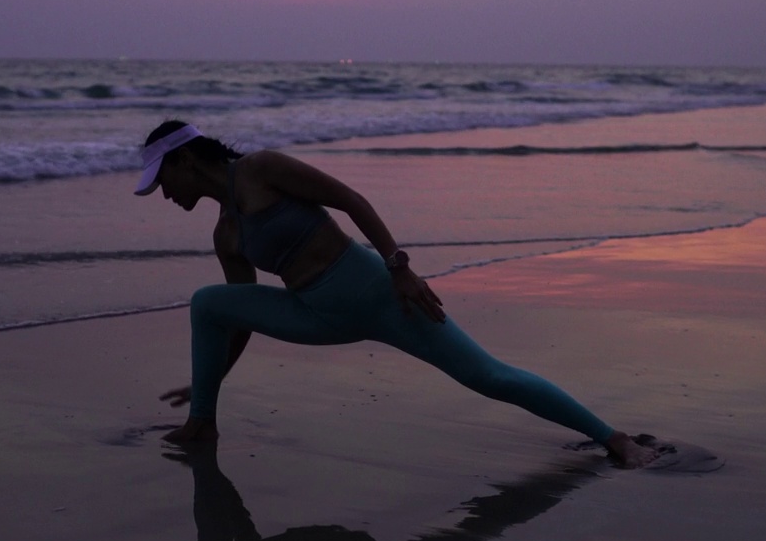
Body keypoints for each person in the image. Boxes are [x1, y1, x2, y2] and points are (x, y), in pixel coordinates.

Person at [135, 121, 656, 468]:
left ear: (183, 160)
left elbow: (348, 199)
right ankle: (202, 422)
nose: (165, 194)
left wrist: (399, 267)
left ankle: (614, 439)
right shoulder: (225, 234)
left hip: (378, 293)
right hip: (317, 315)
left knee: (488, 376)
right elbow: (240, 317)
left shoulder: (262, 169)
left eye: (162, 181)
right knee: (210, 303)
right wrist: (211, 379)